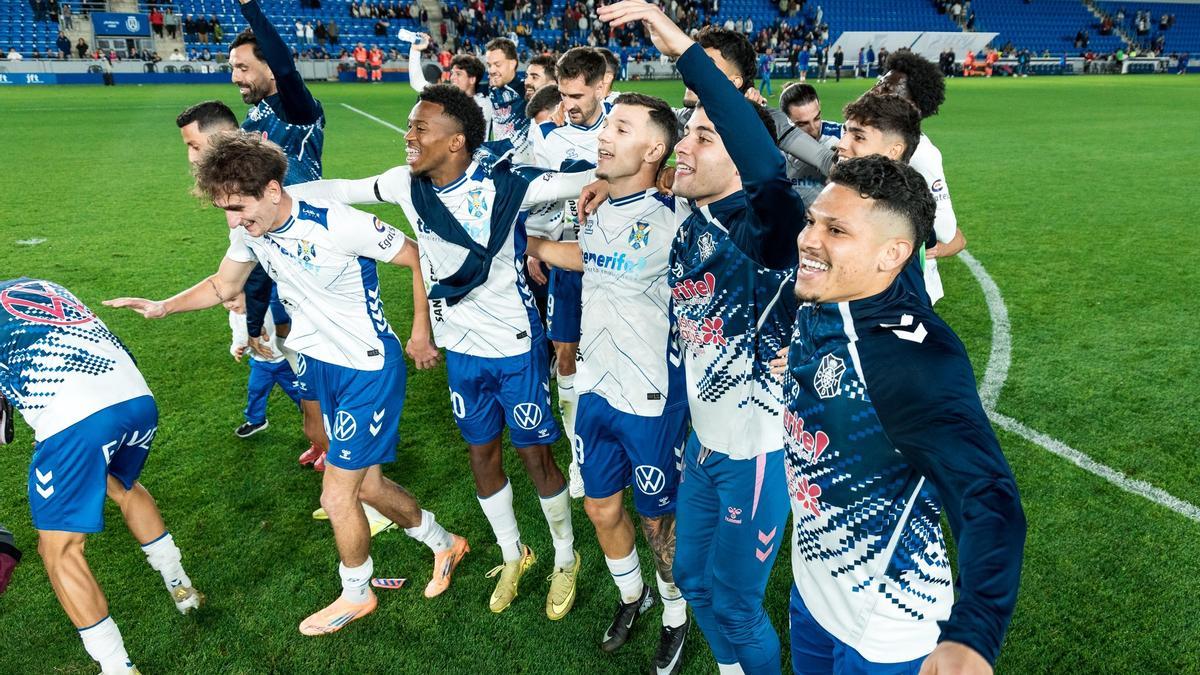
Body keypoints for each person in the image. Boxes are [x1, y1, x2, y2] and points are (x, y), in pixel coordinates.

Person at [105, 131, 469, 635]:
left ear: (273, 190)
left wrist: (421, 330)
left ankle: (357, 593)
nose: (233, 221)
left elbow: (416, 257)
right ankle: (444, 543)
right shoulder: (248, 231)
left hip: (366, 368)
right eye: (225, 211)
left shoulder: (336, 223)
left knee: (336, 497)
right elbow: (224, 285)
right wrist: (164, 305)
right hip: (318, 363)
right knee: (367, 485)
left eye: (239, 207)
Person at [287, 84, 598, 620]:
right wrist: (278, 193)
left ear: (457, 141)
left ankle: (565, 560)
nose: (408, 136)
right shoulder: (406, 184)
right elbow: (339, 188)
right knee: (482, 455)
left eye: (419, 128)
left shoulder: (508, 184)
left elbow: (580, 178)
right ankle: (511, 554)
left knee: (536, 458)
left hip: (515, 347)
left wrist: (640, 168)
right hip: (462, 349)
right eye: (410, 127)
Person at [597, 3, 805, 672]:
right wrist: (597, 187)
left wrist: (681, 46)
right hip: (703, 446)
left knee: (739, 605)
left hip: (756, 456)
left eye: (705, 136)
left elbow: (769, 171)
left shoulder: (764, 234)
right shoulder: (689, 219)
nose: (684, 143)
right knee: (689, 574)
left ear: (742, 154)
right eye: (687, 130)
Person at [783, 155, 1026, 675]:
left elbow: (987, 495)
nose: (808, 239)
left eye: (836, 229)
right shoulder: (826, 295)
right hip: (811, 592)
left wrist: (974, 634)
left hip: (887, 630)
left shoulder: (911, 360)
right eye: (812, 221)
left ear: (893, 253)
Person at [526, 92, 692, 674]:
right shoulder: (592, 205)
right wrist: (539, 246)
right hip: (595, 388)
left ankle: (675, 611)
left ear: (653, 148)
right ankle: (633, 596)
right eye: (608, 125)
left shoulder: (679, 217)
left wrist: (674, 174)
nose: (603, 135)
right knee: (600, 509)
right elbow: (592, 257)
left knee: (656, 520)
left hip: (652, 396)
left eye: (621, 127)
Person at [1, 278, 203, 674]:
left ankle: (118, 668)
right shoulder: (40, 284)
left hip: (76, 420)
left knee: (59, 550)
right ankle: (182, 588)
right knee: (121, 485)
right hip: (136, 400)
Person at [229, 0, 330, 471]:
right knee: (295, 349)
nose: (236, 77)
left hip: (313, 252)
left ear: (269, 65)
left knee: (321, 350)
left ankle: (349, 453)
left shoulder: (296, 109)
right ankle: (323, 436)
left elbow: (287, 68)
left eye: (244, 67)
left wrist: (250, 9)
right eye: (232, 68)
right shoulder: (252, 123)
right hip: (273, 252)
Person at [527, 47, 611, 499]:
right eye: (563, 94)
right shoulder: (551, 138)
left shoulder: (624, 124)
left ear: (602, 86)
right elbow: (540, 196)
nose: (569, 104)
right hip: (571, 260)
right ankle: (582, 457)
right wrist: (535, 244)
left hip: (623, 264)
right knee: (565, 355)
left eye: (578, 94)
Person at [871, 51, 967, 303]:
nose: (876, 90)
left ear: (910, 107)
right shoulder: (871, 138)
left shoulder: (921, 154)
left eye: (887, 89)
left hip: (909, 287)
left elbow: (946, 229)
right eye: (880, 82)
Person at [225, 292, 302, 438]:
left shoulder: (269, 308)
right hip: (261, 364)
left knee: (299, 393)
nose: (229, 305)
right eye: (225, 301)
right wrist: (237, 348)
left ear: (247, 293)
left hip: (284, 362)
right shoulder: (234, 315)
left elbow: (285, 327)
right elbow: (238, 337)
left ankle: (315, 417)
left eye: (233, 299)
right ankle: (256, 420)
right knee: (255, 390)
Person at [778, 82, 841, 206]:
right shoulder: (773, 144)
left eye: (817, 118)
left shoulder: (841, 137)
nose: (813, 129)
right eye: (802, 124)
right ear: (787, 121)